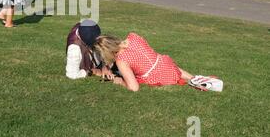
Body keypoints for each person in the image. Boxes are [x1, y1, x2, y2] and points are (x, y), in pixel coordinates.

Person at [93, 33, 223, 92]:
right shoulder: (133, 36)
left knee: (134, 77)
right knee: (160, 64)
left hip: (157, 76)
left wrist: (120, 81)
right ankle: (194, 79)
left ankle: (198, 82)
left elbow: (134, 88)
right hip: (165, 63)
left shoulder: (122, 60)